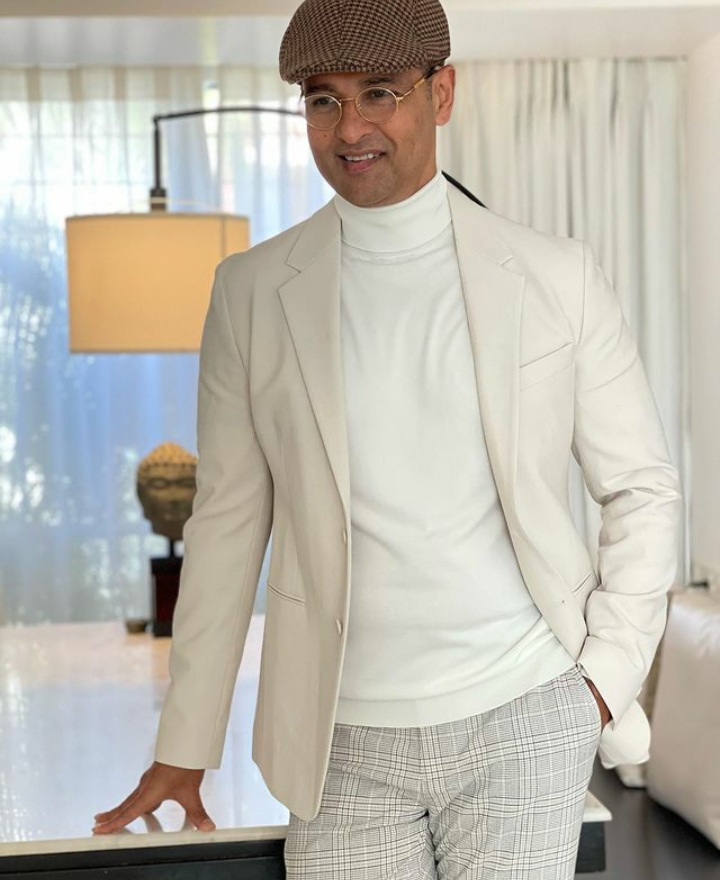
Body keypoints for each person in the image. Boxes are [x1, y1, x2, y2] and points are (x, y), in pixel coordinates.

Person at [93, 0, 683, 876]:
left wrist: (599, 686)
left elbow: (641, 489)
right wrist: (184, 743)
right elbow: (225, 526)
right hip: (338, 740)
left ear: (440, 93)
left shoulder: (558, 276)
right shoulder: (250, 292)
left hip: (524, 712)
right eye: (322, 100)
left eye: (379, 92)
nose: (350, 128)